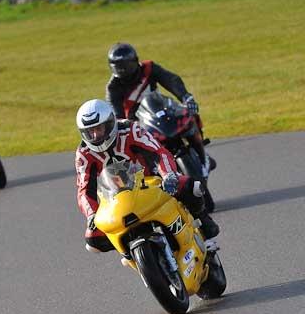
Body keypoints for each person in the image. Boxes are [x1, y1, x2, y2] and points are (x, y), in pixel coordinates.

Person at [74, 99, 220, 253]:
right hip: (116, 198)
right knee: (93, 240)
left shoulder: (130, 129)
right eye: (90, 132)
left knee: (193, 187)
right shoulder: (84, 153)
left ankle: (206, 232)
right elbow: (84, 190)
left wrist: (169, 175)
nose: (95, 135)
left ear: (110, 123)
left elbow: (159, 153)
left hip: (150, 181)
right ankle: (130, 254)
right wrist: (92, 214)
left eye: (99, 128)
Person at [106, 42, 216, 172]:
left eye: (125, 65)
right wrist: (123, 125)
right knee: (132, 147)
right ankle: (153, 170)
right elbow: (116, 112)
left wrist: (186, 97)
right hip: (137, 121)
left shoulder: (149, 68)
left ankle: (200, 149)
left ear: (135, 61)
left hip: (160, 108)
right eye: (119, 66)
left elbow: (171, 80)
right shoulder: (113, 88)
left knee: (189, 113)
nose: (123, 69)